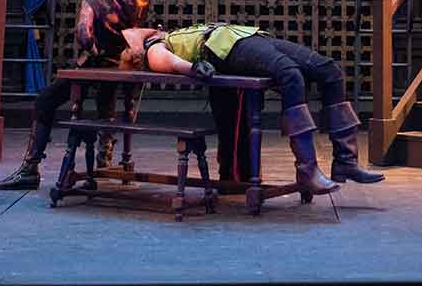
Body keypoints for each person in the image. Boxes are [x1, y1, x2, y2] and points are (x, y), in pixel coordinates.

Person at [0, 0, 199, 190]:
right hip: (127, 66)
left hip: (96, 66)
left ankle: (31, 167)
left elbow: (83, 35)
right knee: (107, 101)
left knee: (46, 101)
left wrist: (96, 48)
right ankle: (105, 158)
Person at [121, 23, 385, 193]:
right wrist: (191, 67)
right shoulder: (152, 49)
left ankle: (346, 162)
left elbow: (138, 30)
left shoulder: (162, 36)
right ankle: (307, 170)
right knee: (290, 74)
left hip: (248, 36)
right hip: (224, 47)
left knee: (330, 70)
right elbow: (159, 56)